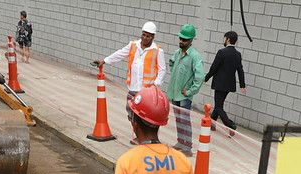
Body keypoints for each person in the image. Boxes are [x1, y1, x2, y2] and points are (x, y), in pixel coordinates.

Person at [93, 22, 166, 144]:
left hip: (147, 91)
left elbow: (162, 70)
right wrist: (104, 61)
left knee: (146, 117)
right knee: (131, 113)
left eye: (148, 36)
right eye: (143, 35)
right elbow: (120, 54)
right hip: (133, 87)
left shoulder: (157, 51)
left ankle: (148, 138)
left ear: (153, 37)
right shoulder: (133, 45)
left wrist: (156, 85)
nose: (145, 38)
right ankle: (138, 136)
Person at [166, 24, 205, 157]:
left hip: (184, 96)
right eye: (181, 39)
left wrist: (189, 91)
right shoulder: (177, 53)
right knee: (178, 119)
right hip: (175, 93)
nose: (181, 41)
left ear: (191, 40)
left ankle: (187, 146)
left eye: (185, 40)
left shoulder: (195, 56)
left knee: (184, 119)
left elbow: (200, 77)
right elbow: (171, 63)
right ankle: (180, 142)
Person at [204, 31, 247, 133]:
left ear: (227, 39)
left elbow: (214, 67)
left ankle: (230, 125)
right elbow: (240, 70)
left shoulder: (221, 52)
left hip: (219, 84)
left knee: (219, 107)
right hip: (229, 85)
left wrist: (206, 78)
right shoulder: (237, 54)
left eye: (224, 38)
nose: (224, 40)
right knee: (219, 105)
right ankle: (211, 125)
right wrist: (242, 85)